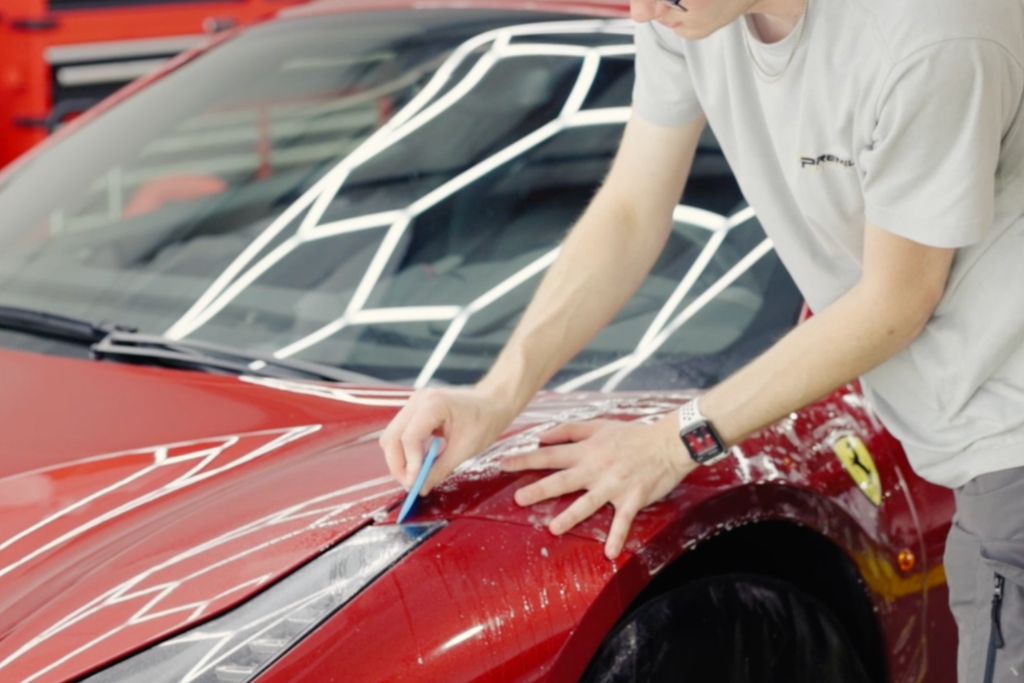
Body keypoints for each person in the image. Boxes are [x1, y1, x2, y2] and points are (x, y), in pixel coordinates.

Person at [379, 0, 1024, 679]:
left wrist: (674, 442)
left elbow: (895, 301)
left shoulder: (932, 31)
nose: (649, 9)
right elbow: (631, 209)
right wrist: (498, 393)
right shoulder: (685, 18)